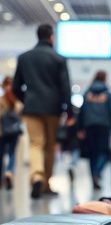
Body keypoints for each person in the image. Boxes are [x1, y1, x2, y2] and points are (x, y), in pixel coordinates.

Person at [12, 23, 73, 199]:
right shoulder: (58, 59)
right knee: (50, 146)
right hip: (53, 109)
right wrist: (68, 111)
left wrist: (27, 100)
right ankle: (46, 184)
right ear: (51, 37)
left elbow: (16, 87)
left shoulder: (24, 58)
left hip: (31, 108)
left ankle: (37, 176)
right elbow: (65, 88)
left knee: (35, 143)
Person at [77, 70, 111, 190]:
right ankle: (98, 172)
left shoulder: (87, 93)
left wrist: (80, 128)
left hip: (89, 126)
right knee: (105, 153)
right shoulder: (107, 94)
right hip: (104, 126)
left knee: (92, 153)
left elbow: (81, 112)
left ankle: (94, 176)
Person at [0, 76, 23, 190]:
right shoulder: (17, 101)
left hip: (4, 132)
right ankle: (9, 173)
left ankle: (3, 177)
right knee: (11, 154)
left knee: (4, 154)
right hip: (12, 131)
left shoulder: (3, 100)